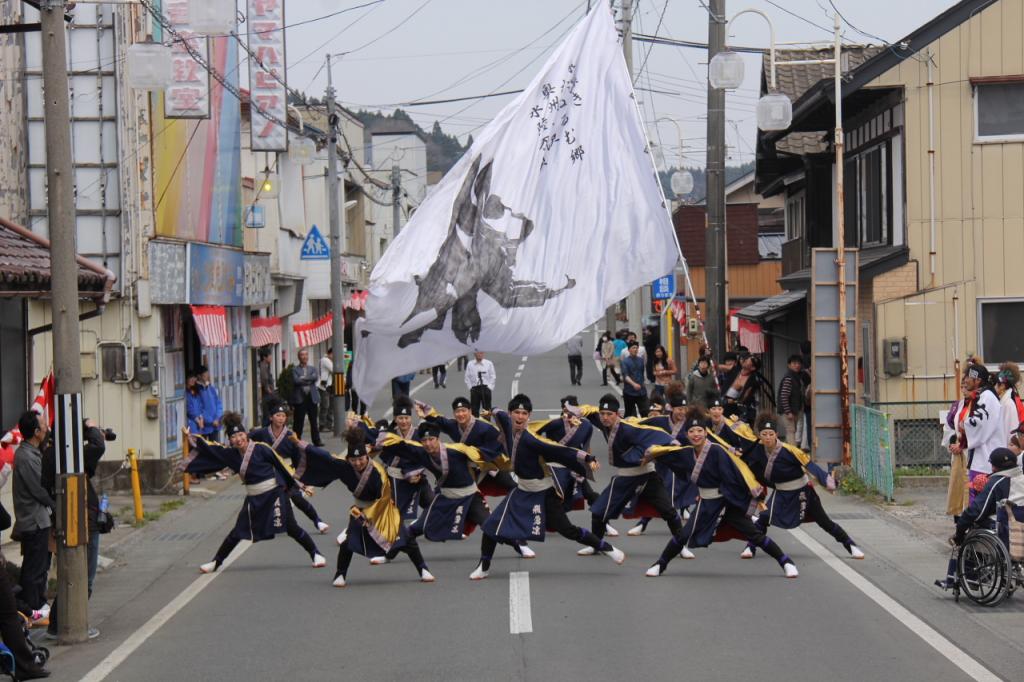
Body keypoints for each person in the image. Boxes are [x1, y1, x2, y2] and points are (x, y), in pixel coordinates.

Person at [473, 394, 624, 580]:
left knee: (567, 530)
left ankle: (606, 547)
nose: (520, 417)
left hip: (544, 493)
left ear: (529, 416)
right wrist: (491, 410)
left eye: (524, 413)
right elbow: (498, 412)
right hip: (522, 491)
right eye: (517, 413)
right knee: (490, 527)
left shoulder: (532, 439)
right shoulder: (506, 421)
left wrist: (586, 458)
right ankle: (484, 566)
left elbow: (558, 449)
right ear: (510, 413)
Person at [643, 407, 799, 579]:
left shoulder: (716, 450)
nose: (696, 434)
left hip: (726, 501)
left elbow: (736, 473)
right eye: (692, 431)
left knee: (753, 534)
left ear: (705, 432)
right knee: (684, 534)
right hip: (706, 504)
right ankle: (660, 564)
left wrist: (754, 493)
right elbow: (667, 454)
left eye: (700, 431)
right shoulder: (687, 453)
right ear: (687, 434)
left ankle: (786, 562)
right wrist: (651, 453)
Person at [183, 413, 326, 574]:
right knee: (237, 532)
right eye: (234, 436)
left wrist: (300, 484)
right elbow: (211, 448)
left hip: (274, 494)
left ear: (246, 434)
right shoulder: (231, 454)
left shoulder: (261, 448)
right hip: (254, 498)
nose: (238, 439)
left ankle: (315, 553)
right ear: (230, 440)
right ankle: (216, 562)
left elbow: (281, 466)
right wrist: (191, 438)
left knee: (291, 527)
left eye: (240, 434)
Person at [296, 429, 434, 588]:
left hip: (382, 510)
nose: (357, 463)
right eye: (353, 460)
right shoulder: (344, 467)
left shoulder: (377, 472)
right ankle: (340, 574)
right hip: (360, 510)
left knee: (406, 539)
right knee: (348, 543)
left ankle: (423, 569)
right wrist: (299, 444)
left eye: (361, 459)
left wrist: (371, 516)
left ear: (367, 456)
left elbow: (384, 496)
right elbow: (324, 457)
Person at [738, 414, 863, 561]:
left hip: (802, 491)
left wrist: (828, 482)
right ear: (759, 436)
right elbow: (742, 453)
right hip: (781, 493)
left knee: (824, 522)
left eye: (771, 434)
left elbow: (811, 466)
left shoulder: (790, 450)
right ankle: (750, 546)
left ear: (776, 435)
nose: (767, 438)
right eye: (764, 434)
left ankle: (850, 545)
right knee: (764, 517)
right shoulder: (757, 450)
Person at [575, 394, 685, 551]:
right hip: (625, 477)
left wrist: (670, 441)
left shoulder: (628, 428)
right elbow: (591, 413)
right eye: (603, 414)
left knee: (668, 511)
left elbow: (652, 432)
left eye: (609, 414)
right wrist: (577, 411)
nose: (605, 417)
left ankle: (680, 546)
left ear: (617, 414)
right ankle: (596, 545)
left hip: (647, 476)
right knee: (598, 511)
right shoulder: (604, 424)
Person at [43, 419, 108, 640]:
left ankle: (58, 623)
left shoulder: (51, 455)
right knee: (84, 576)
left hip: (66, 518)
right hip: (82, 520)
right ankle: (71, 623)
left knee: (71, 573)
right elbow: (98, 446)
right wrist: (90, 427)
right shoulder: (71, 455)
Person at [935, 447, 1022, 591]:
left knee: (972, 530)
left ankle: (968, 577)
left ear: (994, 466)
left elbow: (977, 511)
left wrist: (960, 530)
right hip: (1020, 529)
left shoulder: (997, 482)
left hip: (1007, 532)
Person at [535, 396, 618, 536]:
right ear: (562, 410)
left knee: (591, 495)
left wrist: (589, 461)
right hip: (556, 469)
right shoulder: (555, 423)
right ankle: (542, 524)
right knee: (553, 499)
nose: (569, 414)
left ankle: (605, 524)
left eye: (573, 411)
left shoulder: (585, 425)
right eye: (566, 410)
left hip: (574, 468)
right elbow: (534, 435)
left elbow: (585, 446)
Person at [248, 402, 330, 535]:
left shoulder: (291, 435)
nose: (280, 418)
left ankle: (317, 520)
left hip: (285, 471)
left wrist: (300, 478)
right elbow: (246, 441)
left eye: (283, 416)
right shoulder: (262, 433)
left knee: (296, 497)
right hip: (267, 472)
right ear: (271, 418)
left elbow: (298, 458)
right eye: (277, 415)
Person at [12, 411, 53, 622]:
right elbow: (39, 489)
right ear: (36, 432)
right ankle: (32, 608)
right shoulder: (26, 457)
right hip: (33, 520)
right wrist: (56, 504)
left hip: (39, 519)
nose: (47, 428)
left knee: (40, 565)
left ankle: (38, 603)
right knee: (33, 567)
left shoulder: (34, 452)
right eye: (44, 426)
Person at [951, 364, 1004, 504]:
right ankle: (977, 523)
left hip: (986, 458)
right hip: (982, 456)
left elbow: (979, 423)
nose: (965, 380)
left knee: (981, 499)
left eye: (969, 377)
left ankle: (981, 523)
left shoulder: (987, 397)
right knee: (977, 496)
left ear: (978, 380)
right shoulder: (984, 395)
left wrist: (964, 425)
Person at [722, 354, 771, 424]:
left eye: (746, 360)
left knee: (741, 431)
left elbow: (751, 399)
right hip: (727, 411)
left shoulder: (754, 380)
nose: (743, 361)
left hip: (744, 414)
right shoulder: (728, 374)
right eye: (743, 359)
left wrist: (735, 401)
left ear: (753, 368)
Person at [291, 349, 322, 446]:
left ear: (308, 357)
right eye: (302, 355)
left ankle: (317, 441)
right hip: (300, 398)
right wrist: (309, 379)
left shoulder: (312, 368)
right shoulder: (294, 369)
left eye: (306, 355)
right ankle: (296, 440)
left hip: (311, 397)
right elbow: (296, 381)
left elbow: (315, 378)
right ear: (299, 357)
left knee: (314, 421)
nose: (304, 357)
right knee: (298, 422)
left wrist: (303, 378)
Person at [777, 355, 806, 446]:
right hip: (788, 411)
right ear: (789, 365)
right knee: (791, 431)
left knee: (792, 431)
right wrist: (788, 411)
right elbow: (784, 396)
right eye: (794, 363)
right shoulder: (789, 378)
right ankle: (792, 454)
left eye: (798, 363)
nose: (797, 365)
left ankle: (784, 450)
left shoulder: (796, 377)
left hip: (794, 410)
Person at [994, 364, 1024, 442]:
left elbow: (1011, 433)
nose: (994, 387)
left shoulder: (1009, 403)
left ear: (1002, 386)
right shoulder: (1009, 398)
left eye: (996, 384)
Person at [464, 351, 496, 417]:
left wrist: (489, 388)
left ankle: (487, 424)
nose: (480, 354)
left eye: (482, 353)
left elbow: (493, 376)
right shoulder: (470, 364)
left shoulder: (488, 363)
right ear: (474, 354)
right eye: (478, 353)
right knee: (474, 409)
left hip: (486, 388)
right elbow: (467, 377)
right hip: (475, 389)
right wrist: (471, 388)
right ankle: (476, 424)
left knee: (486, 409)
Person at [197, 365, 224, 443]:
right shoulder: (198, 390)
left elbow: (218, 403)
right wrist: (211, 421)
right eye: (205, 375)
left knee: (216, 447)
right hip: (205, 426)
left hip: (215, 424)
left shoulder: (210, 388)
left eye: (207, 374)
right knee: (206, 448)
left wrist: (217, 418)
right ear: (199, 376)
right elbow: (199, 410)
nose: (207, 377)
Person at [620, 341, 647, 417]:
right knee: (630, 413)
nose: (635, 349)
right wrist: (634, 384)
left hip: (641, 391)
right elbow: (626, 376)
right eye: (633, 348)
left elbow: (642, 373)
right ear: (629, 350)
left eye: (636, 348)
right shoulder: (625, 362)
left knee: (645, 411)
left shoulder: (641, 360)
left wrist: (643, 384)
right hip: (629, 391)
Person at [258, 347, 278, 426]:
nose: (271, 358)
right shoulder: (263, 366)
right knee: (266, 415)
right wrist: (269, 390)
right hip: (266, 395)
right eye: (269, 356)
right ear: (264, 357)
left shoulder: (266, 365)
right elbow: (264, 379)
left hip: (267, 394)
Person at [318, 348, 334, 433]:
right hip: (323, 387)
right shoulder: (325, 360)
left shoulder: (330, 361)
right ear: (330, 353)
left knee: (331, 407)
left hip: (330, 386)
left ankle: (329, 425)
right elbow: (334, 369)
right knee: (325, 406)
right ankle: (322, 425)